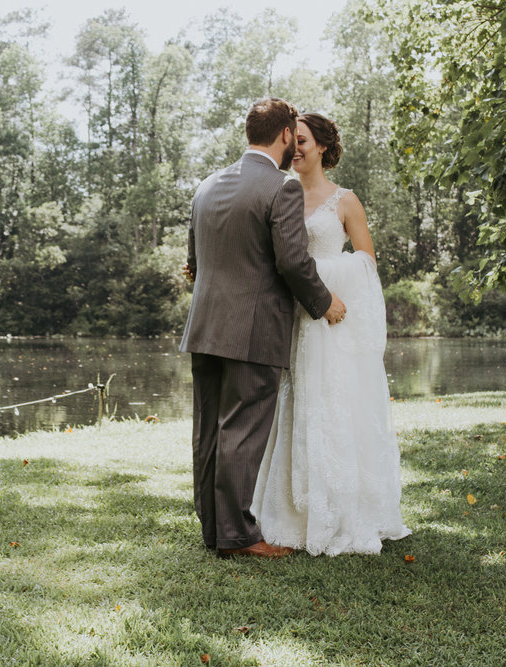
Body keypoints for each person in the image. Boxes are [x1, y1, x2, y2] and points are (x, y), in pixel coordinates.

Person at [180, 99, 347, 559]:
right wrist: (324, 301)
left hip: (205, 326)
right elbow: (293, 261)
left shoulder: (207, 186)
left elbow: (193, 264)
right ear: (283, 137)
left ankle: (214, 530)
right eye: (293, 136)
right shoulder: (282, 189)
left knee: (209, 431)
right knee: (242, 431)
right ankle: (239, 537)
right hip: (252, 330)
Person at [251, 112, 411, 556]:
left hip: (329, 322)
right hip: (291, 322)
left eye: (303, 141)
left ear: (322, 146)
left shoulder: (345, 200)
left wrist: (317, 281)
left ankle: (340, 511)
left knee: (332, 406)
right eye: (292, 141)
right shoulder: (277, 195)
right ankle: (290, 511)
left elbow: (366, 263)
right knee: (294, 404)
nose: (296, 148)